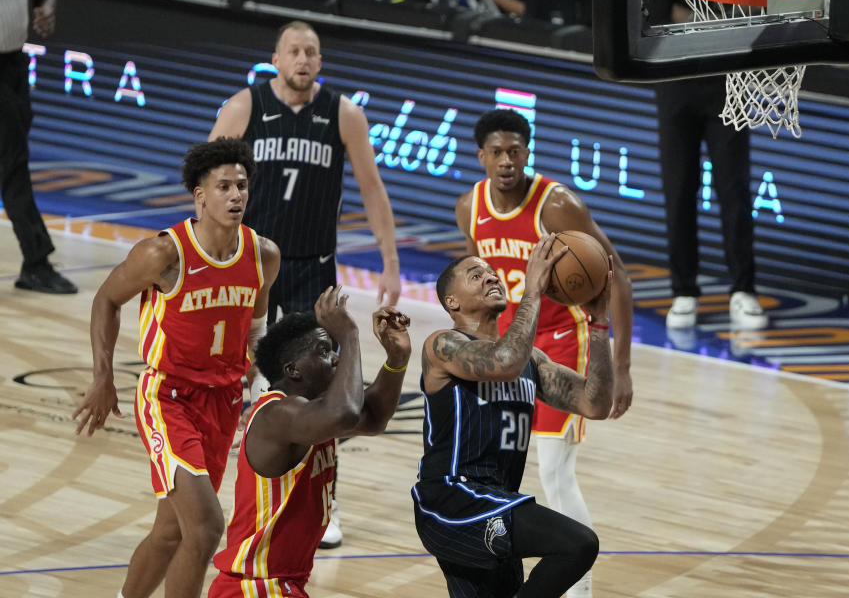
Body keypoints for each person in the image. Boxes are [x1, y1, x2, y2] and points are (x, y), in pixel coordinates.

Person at [209, 19, 401, 547]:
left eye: (311, 52)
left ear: (320, 61)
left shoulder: (343, 113)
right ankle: (218, 488)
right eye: (294, 50)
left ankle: (325, 503)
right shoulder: (244, 106)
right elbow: (206, 179)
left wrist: (390, 260)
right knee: (237, 377)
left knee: (323, 391)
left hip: (313, 267)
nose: (303, 59)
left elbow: (371, 187)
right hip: (252, 265)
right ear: (276, 57)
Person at [72, 138, 281, 598]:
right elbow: (106, 299)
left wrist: (259, 389)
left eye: (242, 185)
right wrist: (103, 377)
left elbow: (257, 331)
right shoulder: (164, 254)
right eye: (223, 186)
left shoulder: (263, 254)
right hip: (168, 397)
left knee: (171, 531)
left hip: (223, 401)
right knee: (205, 529)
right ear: (199, 196)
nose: (235, 195)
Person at [454, 109, 632, 597]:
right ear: (481, 157)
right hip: (512, 348)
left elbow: (619, 279)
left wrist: (621, 366)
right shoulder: (469, 206)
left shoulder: (556, 205)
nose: (507, 161)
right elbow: (486, 285)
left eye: (515, 150)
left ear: (527, 152)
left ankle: (580, 589)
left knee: (554, 470)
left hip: (564, 344)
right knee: (502, 469)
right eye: (497, 152)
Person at [413, 238, 614, 597]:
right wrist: (533, 290)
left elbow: (595, 403)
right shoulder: (443, 345)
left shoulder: (531, 361)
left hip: (496, 502)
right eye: (477, 275)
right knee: (578, 544)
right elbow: (503, 362)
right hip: (452, 498)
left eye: (492, 273)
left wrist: (598, 324)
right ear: (451, 302)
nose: (491, 278)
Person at [208, 286, 411, 598]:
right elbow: (345, 413)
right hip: (255, 587)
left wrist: (396, 359)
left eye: (332, 349)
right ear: (293, 370)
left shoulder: (312, 414)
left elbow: (371, 418)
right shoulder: (278, 413)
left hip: (279, 584)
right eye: (323, 350)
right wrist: (350, 334)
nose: (334, 358)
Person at [645, 0, 769, 331]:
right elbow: (662, 19)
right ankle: (684, 290)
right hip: (677, 81)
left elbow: (755, 10)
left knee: (734, 191)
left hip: (729, 85)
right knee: (679, 189)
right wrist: (722, 14)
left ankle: (742, 290)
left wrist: (700, 16)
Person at [1, 0, 76, 294]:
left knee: (11, 160)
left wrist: (46, 7)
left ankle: (35, 263)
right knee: (13, 163)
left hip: (14, 63)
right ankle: (36, 262)